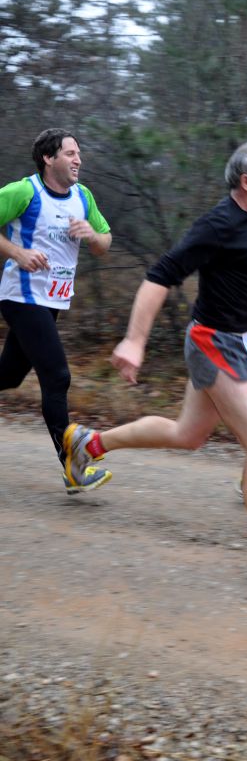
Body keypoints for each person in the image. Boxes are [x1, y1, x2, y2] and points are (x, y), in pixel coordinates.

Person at [63, 98, 247, 589]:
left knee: (188, 435)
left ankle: (89, 443)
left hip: (234, 342)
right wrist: (134, 341)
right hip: (215, 343)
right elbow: (159, 277)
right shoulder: (218, 224)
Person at [0, 128, 113, 493]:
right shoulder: (24, 192)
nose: (78, 159)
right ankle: (73, 467)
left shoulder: (83, 197)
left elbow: (104, 243)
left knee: (10, 375)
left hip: (53, 300)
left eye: (78, 153)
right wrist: (18, 253)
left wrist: (91, 235)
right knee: (57, 376)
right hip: (21, 295)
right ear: (49, 159)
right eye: (69, 153)